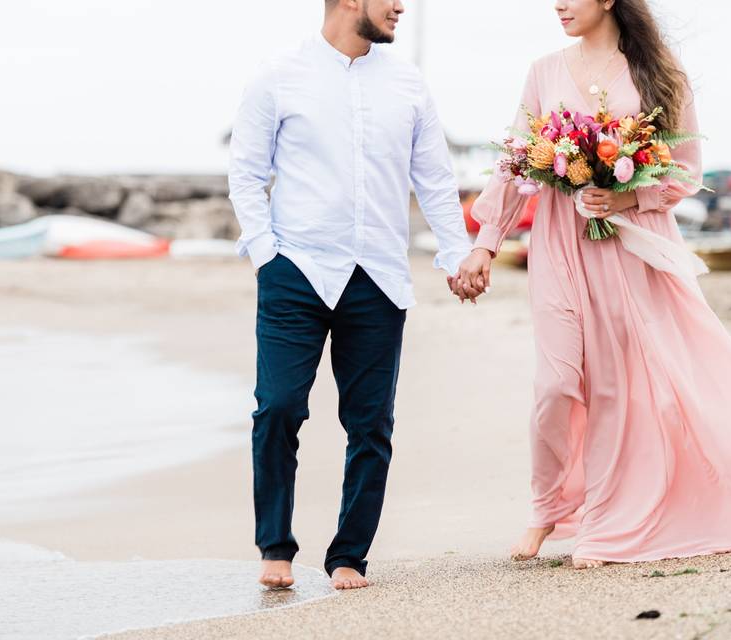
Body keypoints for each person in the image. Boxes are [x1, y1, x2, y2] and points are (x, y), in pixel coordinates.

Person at [452, 0, 731, 569]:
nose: (557, 5)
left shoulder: (660, 72)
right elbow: (514, 163)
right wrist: (486, 242)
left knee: (617, 387)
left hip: (628, 244)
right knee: (556, 383)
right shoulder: (543, 71)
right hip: (562, 242)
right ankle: (547, 508)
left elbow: (686, 168)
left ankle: (607, 524)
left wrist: (626, 195)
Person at [229, 0, 477, 590]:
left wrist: (455, 255)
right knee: (279, 408)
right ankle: (275, 545)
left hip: (379, 275)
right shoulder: (278, 75)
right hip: (297, 269)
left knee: (370, 425)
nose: (400, 7)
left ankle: (349, 556)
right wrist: (266, 254)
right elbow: (245, 171)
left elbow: (435, 179)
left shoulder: (409, 85)